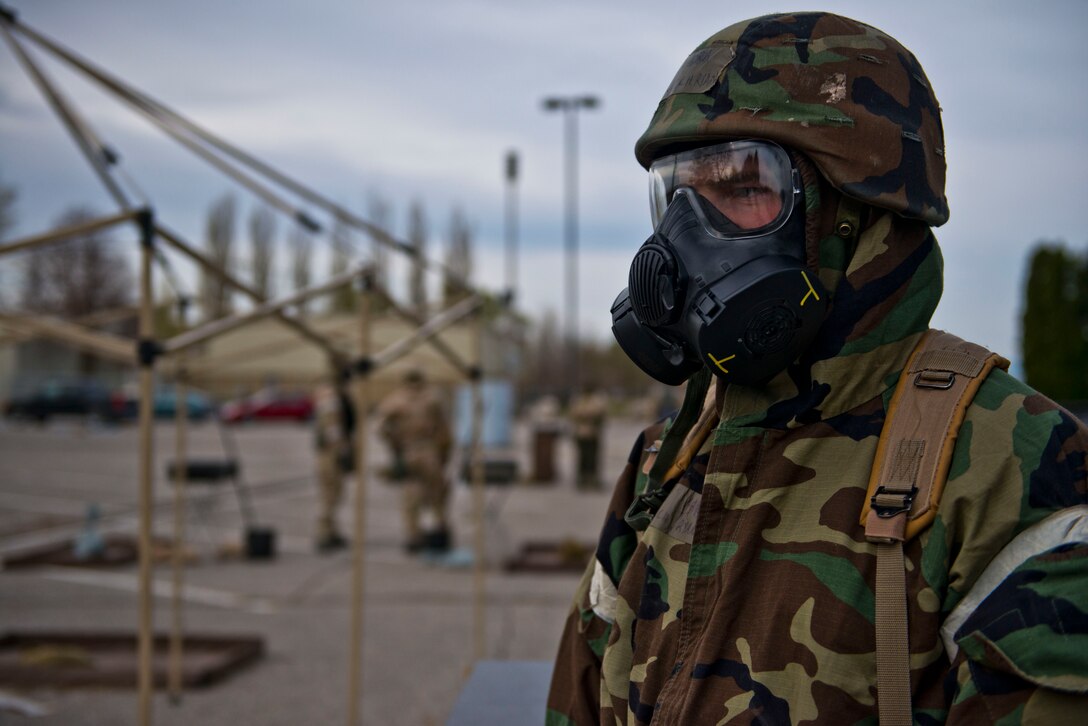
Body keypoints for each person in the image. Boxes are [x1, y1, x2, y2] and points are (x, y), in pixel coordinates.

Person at [547, 12, 1088, 725]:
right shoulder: (668, 459)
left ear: (858, 215)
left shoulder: (1009, 467)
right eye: (676, 195)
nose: (682, 244)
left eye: (743, 188)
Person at [377, 368, 453, 552]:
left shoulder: (394, 401)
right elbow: (444, 432)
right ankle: (439, 532)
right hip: (429, 451)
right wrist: (444, 456)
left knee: (411, 496)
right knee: (437, 495)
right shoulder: (433, 399)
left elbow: (381, 429)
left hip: (408, 451)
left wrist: (395, 447)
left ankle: (414, 536)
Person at [312, 371, 354, 552]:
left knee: (335, 495)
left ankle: (331, 531)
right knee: (329, 496)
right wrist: (342, 451)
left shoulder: (335, 395)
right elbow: (332, 428)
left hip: (331, 454)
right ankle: (324, 533)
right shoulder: (330, 396)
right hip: (330, 455)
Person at [569, 386, 608, 490]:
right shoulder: (591, 401)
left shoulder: (582, 400)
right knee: (585, 456)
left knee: (591, 457)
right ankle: (585, 478)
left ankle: (589, 478)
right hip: (586, 433)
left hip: (588, 433)